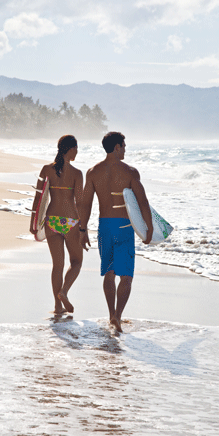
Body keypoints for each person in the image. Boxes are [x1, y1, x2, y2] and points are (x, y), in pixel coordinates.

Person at [79, 132, 153, 332]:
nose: (126, 149)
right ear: (117, 147)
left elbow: (86, 203)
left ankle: (111, 314)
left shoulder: (93, 172)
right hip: (124, 227)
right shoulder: (130, 172)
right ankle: (118, 317)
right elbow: (142, 202)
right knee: (126, 276)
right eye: (124, 145)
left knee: (109, 273)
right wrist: (149, 228)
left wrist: (82, 229)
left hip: (104, 226)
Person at [30, 135, 83, 314]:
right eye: (76, 148)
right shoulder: (77, 173)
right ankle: (64, 291)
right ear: (71, 149)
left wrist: (34, 223)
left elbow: (38, 198)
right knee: (76, 262)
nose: (78, 151)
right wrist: (83, 229)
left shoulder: (46, 169)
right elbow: (80, 203)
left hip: (52, 221)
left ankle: (57, 306)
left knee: (57, 265)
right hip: (70, 221)